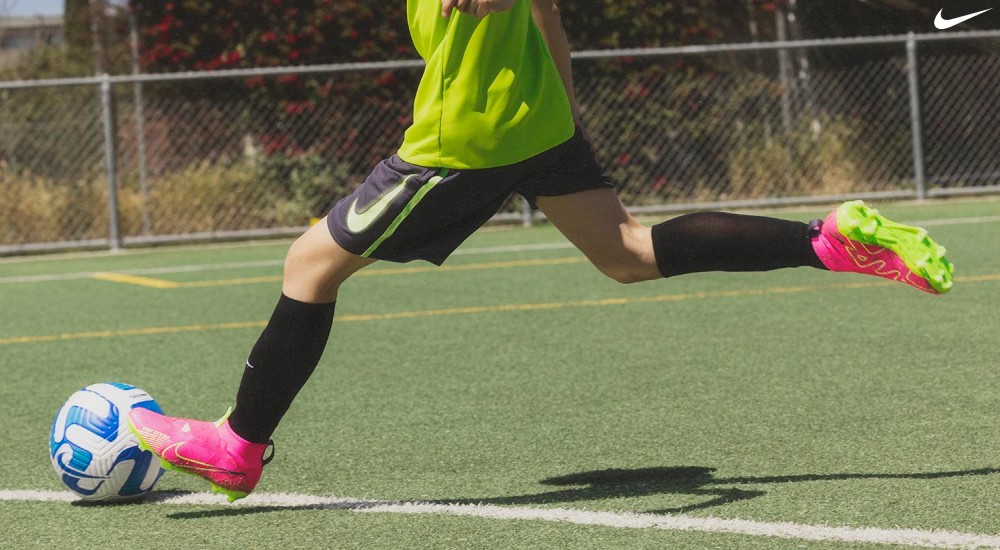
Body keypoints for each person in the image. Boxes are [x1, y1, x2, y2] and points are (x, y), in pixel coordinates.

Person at [128, 0, 954, 503]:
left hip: (467, 140)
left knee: (310, 265)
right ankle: (828, 242)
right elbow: (550, 17)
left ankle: (239, 447)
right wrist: (562, 123)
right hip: (541, 121)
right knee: (628, 251)